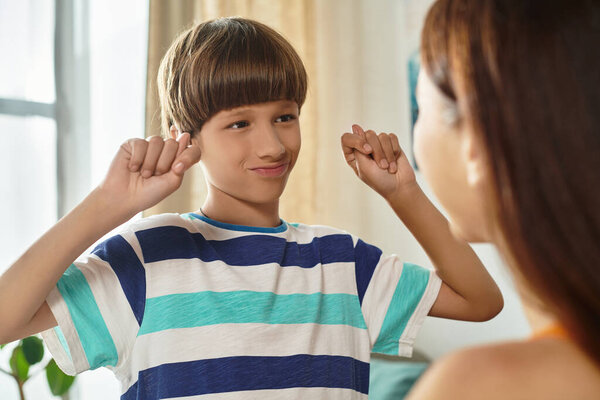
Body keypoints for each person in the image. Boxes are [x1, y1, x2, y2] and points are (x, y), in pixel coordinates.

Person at [0, 17, 502, 399]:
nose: (273, 146)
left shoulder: (342, 261)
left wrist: (404, 195)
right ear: (186, 138)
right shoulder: (144, 259)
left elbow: (480, 301)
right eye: (239, 123)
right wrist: (106, 205)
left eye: (285, 116)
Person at [382, 1, 600, 399]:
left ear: (476, 145)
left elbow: (479, 300)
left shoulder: (477, 386)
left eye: (420, 107)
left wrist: (405, 193)